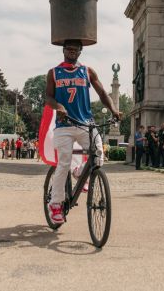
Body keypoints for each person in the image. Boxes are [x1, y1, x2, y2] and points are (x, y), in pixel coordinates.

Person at [45, 39, 121, 225]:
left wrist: (114, 110)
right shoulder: (54, 73)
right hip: (64, 125)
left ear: (80, 52)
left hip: (85, 123)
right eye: (69, 49)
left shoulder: (87, 71)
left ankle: (79, 171)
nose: (72, 52)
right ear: (63, 50)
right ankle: (55, 204)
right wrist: (59, 106)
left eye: (76, 50)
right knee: (63, 164)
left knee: (98, 156)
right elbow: (48, 97)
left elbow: (103, 93)